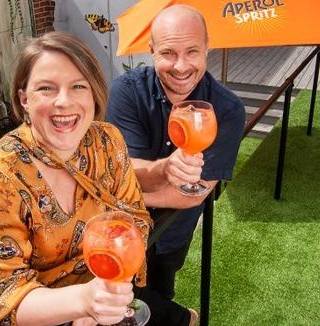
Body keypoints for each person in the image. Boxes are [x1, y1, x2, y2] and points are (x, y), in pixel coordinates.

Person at [0, 31, 152, 326]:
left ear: (93, 93)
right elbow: (8, 294)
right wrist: (83, 304)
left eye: (78, 86)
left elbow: (133, 217)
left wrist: (104, 291)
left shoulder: (108, 141)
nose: (64, 102)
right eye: (46, 88)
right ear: (24, 99)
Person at [106, 4, 245, 326]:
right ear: (151, 50)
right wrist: (161, 174)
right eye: (168, 53)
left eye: (192, 51)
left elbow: (192, 194)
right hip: (119, 230)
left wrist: (119, 189)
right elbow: (122, 170)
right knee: (112, 293)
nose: (181, 66)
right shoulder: (126, 92)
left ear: (207, 49)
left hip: (171, 235)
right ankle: (185, 319)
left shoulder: (226, 110)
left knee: (158, 291)